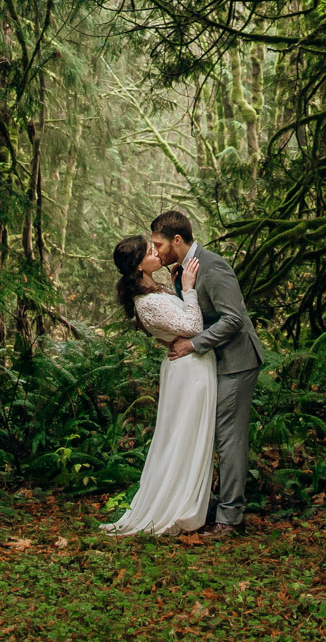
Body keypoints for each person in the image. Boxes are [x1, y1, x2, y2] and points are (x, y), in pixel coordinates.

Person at [149, 208, 263, 539]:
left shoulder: (213, 268)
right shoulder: (179, 271)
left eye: (158, 245)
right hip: (215, 362)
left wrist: (193, 344)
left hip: (237, 362)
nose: (155, 252)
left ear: (178, 240)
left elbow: (233, 319)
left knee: (229, 438)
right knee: (208, 433)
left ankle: (230, 518)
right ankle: (213, 504)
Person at [100, 237, 215, 536]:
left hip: (191, 367)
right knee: (182, 437)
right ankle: (177, 505)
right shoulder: (147, 302)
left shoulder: (155, 290)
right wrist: (189, 289)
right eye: (150, 251)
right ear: (139, 265)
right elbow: (193, 328)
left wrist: (179, 288)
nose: (157, 253)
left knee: (189, 436)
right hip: (187, 372)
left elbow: (179, 320)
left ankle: (188, 497)